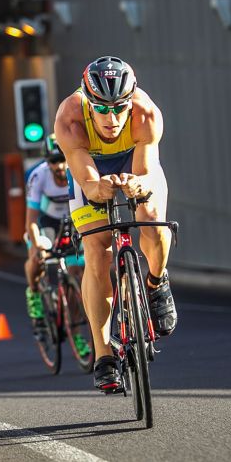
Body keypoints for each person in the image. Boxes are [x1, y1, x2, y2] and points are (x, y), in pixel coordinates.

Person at [53, 56, 177, 392]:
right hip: (90, 165)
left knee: (150, 220)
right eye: (101, 108)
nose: (111, 118)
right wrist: (96, 187)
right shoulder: (69, 118)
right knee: (97, 251)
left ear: (131, 100)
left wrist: (139, 185)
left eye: (119, 107)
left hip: (134, 160)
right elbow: (85, 176)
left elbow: (147, 171)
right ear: (87, 101)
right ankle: (103, 353)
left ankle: (156, 282)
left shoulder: (146, 114)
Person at [24, 134, 89, 358]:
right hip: (45, 224)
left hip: (71, 222)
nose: (59, 166)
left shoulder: (77, 169)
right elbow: (31, 220)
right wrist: (37, 246)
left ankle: (77, 334)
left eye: (61, 158)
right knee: (36, 258)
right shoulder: (38, 176)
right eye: (53, 161)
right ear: (46, 163)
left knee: (76, 272)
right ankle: (34, 296)